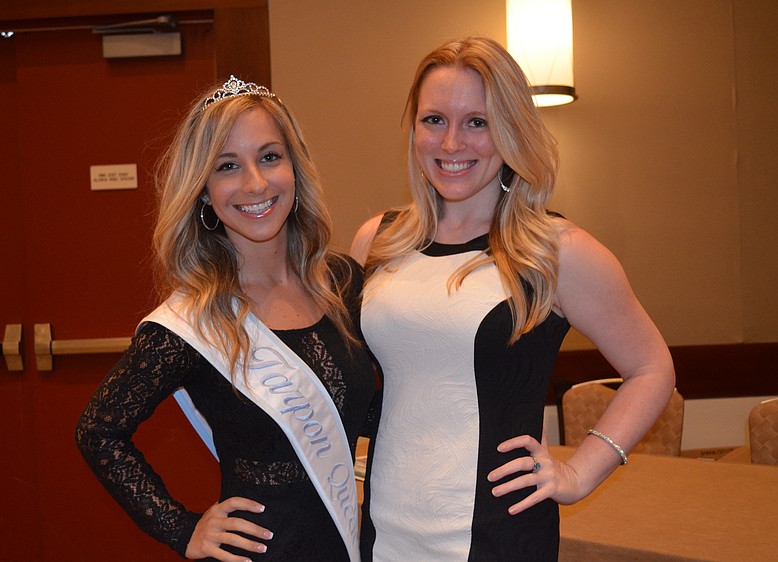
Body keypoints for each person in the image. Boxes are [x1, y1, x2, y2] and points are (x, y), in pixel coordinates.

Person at [350, 37, 676, 561]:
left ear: (511, 130)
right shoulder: (378, 241)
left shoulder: (556, 252)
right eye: (434, 120)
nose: (452, 143)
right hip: (385, 529)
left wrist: (580, 471)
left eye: (477, 122)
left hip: (498, 536)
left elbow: (652, 368)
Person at [76, 76, 375, 562]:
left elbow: (373, 410)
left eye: (270, 157)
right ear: (203, 191)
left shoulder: (341, 282)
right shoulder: (188, 324)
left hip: (350, 542)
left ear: (295, 168)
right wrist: (182, 528)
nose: (255, 183)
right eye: (228, 166)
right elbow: (97, 431)